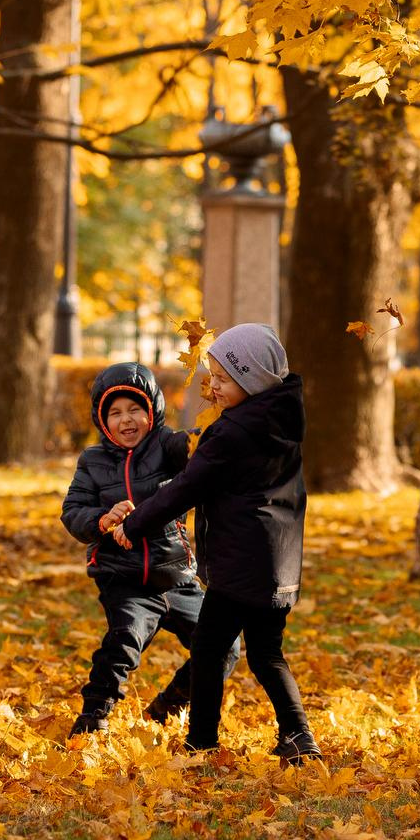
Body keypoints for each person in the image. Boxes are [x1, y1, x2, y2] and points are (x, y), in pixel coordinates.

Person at [113, 323, 320, 762]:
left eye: (223, 379)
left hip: (240, 564)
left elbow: (184, 488)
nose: (214, 386)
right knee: (266, 653)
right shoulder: (282, 420)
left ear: (251, 381)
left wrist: (134, 526)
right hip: (277, 562)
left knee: (208, 648)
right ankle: (299, 736)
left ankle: (202, 740)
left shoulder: (233, 434)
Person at [60, 362, 233, 736]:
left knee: (225, 644)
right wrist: (103, 518)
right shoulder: (93, 462)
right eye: (115, 412)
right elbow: (72, 511)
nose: (127, 420)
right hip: (124, 577)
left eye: (135, 409)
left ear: (152, 410)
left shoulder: (167, 446)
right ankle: (94, 716)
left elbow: (199, 446)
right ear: (102, 419)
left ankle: (169, 705)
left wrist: (221, 415)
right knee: (124, 642)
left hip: (177, 576)